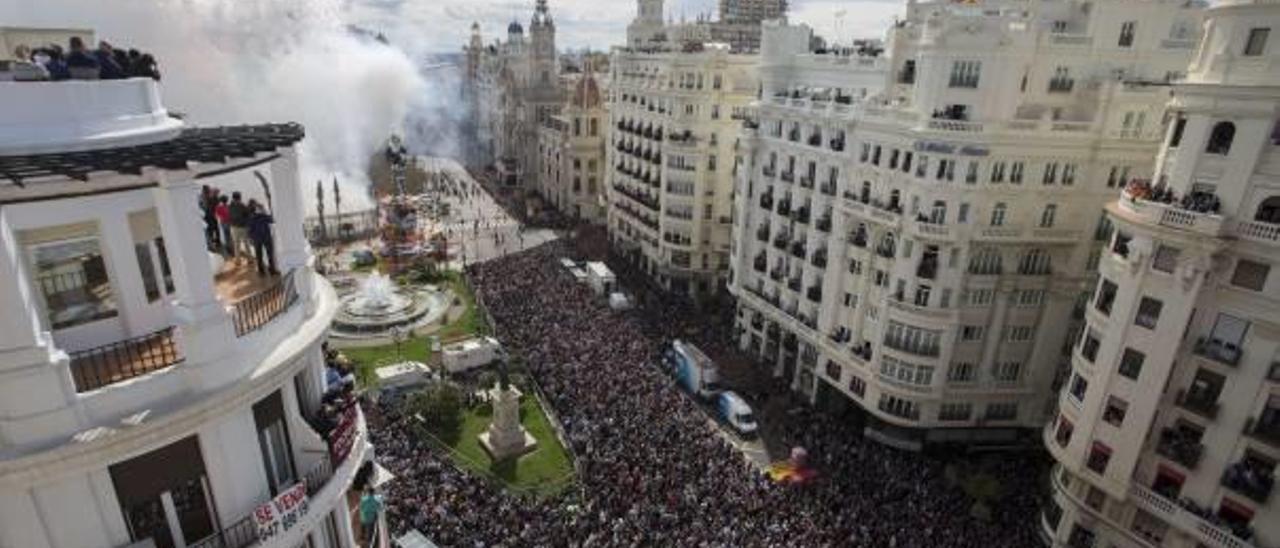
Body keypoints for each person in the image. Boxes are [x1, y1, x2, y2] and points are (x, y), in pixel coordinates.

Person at [247, 201, 278, 276]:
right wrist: (264, 211)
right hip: (266, 237)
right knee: (269, 254)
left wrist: (251, 238)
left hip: (257, 238)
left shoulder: (250, 217)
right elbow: (272, 220)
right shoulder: (262, 216)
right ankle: (272, 270)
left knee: (259, 255)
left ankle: (261, 272)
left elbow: (249, 230)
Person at [228, 192, 252, 262]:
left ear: (233, 198)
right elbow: (248, 216)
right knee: (246, 244)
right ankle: (249, 259)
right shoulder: (242, 206)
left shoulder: (230, 206)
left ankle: (238, 260)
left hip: (233, 227)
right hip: (243, 227)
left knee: (236, 244)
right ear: (240, 198)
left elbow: (229, 215)